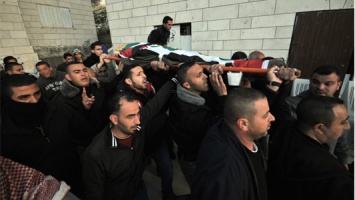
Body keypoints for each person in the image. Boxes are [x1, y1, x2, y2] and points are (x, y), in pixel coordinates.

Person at [82, 78, 177, 200]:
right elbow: (94, 194)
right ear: (114, 119)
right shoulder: (95, 155)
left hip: (138, 185)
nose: (138, 121)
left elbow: (156, 103)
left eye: (138, 113)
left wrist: (174, 79)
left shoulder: (135, 125)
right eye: (130, 116)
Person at [1, 74, 93, 198]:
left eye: (37, 93)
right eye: (24, 97)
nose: (34, 100)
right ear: (8, 99)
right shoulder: (4, 130)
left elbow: (86, 135)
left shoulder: (59, 110)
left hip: (76, 181)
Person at [192, 88, 275, 200]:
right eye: (265, 116)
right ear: (243, 124)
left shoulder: (229, 127)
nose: (272, 118)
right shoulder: (225, 171)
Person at [267, 96, 353, 200]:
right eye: (343, 122)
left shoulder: (282, 130)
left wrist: (284, 84)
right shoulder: (335, 175)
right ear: (319, 128)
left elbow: (280, 107)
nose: (347, 126)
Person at [271, 65, 349, 167]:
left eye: (328, 84)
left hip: (326, 161)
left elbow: (341, 137)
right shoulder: (293, 104)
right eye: (315, 82)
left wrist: (344, 161)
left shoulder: (338, 107)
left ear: (338, 85)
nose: (320, 87)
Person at [118, 64, 175, 200]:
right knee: (136, 179)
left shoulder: (146, 89)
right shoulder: (128, 101)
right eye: (139, 74)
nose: (144, 76)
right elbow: (143, 127)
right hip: (140, 146)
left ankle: (168, 194)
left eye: (143, 73)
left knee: (168, 170)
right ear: (128, 81)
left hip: (157, 142)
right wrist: (164, 116)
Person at [168, 62, 227, 188]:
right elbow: (221, 130)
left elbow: (206, 98)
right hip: (196, 160)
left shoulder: (182, 95)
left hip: (190, 154)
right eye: (199, 75)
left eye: (204, 72)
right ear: (187, 84)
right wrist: (222, 96)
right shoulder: (191, 114)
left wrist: (218, 76)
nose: (205, 76)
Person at [58, 58, 115, 137]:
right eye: (77, 72)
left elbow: (112, 86)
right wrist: (85, 109)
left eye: (84, 70)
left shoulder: (97, 85)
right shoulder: (64, 101)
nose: (83, 74)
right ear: (68, 77)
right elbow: (77, 129)